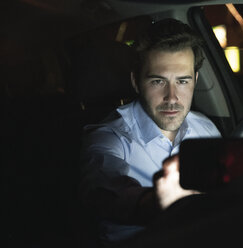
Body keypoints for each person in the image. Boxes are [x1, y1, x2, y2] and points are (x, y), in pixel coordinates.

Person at [79, 18, 221, 244]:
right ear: (136, 81)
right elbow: (103, 187)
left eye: (183, 81)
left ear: (195, 79)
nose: (172, 97)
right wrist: (154, 202)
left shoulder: (205, 128)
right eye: (158, 81)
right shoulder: (110, 136)